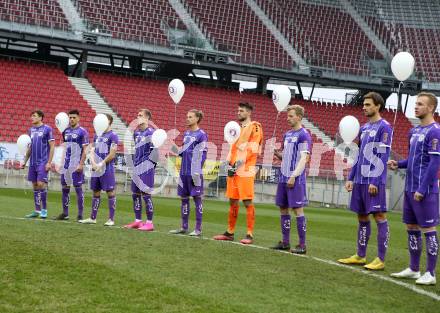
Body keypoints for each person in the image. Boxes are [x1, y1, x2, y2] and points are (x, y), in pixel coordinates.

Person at [388, 92, 440, 285]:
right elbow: (413, 160)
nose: (416, 106)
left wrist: (422, 188)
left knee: (428, 228)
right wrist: (398, 164)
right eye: (416, 103)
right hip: (409, 189)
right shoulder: (414, 132)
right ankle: (414, 268)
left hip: (424, 191)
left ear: (431, 108)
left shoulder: (435, 131)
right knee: (411, 227)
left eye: (420, 104)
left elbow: (435, 163)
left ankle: (431, 273)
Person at [338, 92, 392, 270]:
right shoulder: (363, 128)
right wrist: (351, 177)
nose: (364, 107)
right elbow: (359, 156)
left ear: (377, 106)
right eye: (364, 104)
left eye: (368, 104)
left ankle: (380, 259)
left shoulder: (385, 127)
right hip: (360, 180)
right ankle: (360, 255)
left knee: (379, 216)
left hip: (373, 180)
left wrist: (376, 181)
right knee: (361, 216)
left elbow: (383, 157)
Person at [213, 102, 263, 244]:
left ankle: (249, 234)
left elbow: (252, 149)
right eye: (238, 110)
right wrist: (228, 164)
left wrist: (237, 165)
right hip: (233, 169)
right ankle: (230, 232)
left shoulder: (255, 126)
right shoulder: (237, 129)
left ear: (249, 112)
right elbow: (232, 149)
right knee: (232, 200)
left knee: (247, 201)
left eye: (241, 111)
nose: (238, 112)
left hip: (246, 170)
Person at [270, 105, 312, 254]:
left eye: (291, 116)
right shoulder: (287, 134)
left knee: (297, 209)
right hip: (283, 176)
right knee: (283, 208)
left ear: (299, 117)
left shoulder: (304, 135)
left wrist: (294, 176)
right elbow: (286, 156)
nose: (288, 118)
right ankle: (285, 242)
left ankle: (302, 244)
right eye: (287, 116)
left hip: (296, 178)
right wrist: (276, 153)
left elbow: (304, 158)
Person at [169, 109, 208, 236]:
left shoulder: (202, 134)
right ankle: (184, 227)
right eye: (187, 116)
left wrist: (197, 171)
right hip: (183, 173)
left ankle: (198, 229)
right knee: (184, 199)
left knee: (197, 199)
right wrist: (172, 147)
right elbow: (183, 152)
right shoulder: (186, 134)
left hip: (194, 173)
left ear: (197, 119)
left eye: (190, 117)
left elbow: (203, 155)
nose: (187, 118)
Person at [79, 114, 119, 226]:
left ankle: (111, 219)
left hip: (107, 168)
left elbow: (112, 154)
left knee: (110, 192)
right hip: (96, 168)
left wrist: (100, 164)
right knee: (95, 191)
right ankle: (93, 218)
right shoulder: (97, 135)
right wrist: (93, 163)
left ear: (109, 122)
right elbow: (92, 150)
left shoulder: (113, 136)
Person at [124, 109, 157, 231]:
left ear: (147, 118)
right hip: (136, 168)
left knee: (146, 195)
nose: (138, 117)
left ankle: (149, 223)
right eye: (137, 115)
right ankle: (138, 221)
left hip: (146, 169)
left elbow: (155, 152)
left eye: (140, 115)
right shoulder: (136, 133)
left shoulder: (152, 133)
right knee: (135, 194)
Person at [54, 110, 89, 221]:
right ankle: (65, 213)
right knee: (65, 188)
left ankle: (80, 214)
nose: (72, 119)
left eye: (74, 117)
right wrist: (61, 162)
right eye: (70, 117)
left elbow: (85, 149)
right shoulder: (66, 131)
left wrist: (81, 164)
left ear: (78, 118)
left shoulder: (83, 132)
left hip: (76, 165)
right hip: (66, 165)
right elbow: (65, 147)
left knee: (78, 189)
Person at [23, 110, 55, 219]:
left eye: (34, 116)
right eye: (31, 116)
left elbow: (52, 146)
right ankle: (37, 210)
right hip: (32, 162)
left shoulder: (47, 129)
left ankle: (44, 210)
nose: (32, 117)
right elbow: (30, 148)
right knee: (35, 185)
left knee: (41, 184)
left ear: (41, 117)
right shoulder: (30, 130)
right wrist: (24, 161)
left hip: (43, 161)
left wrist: (49, 162)